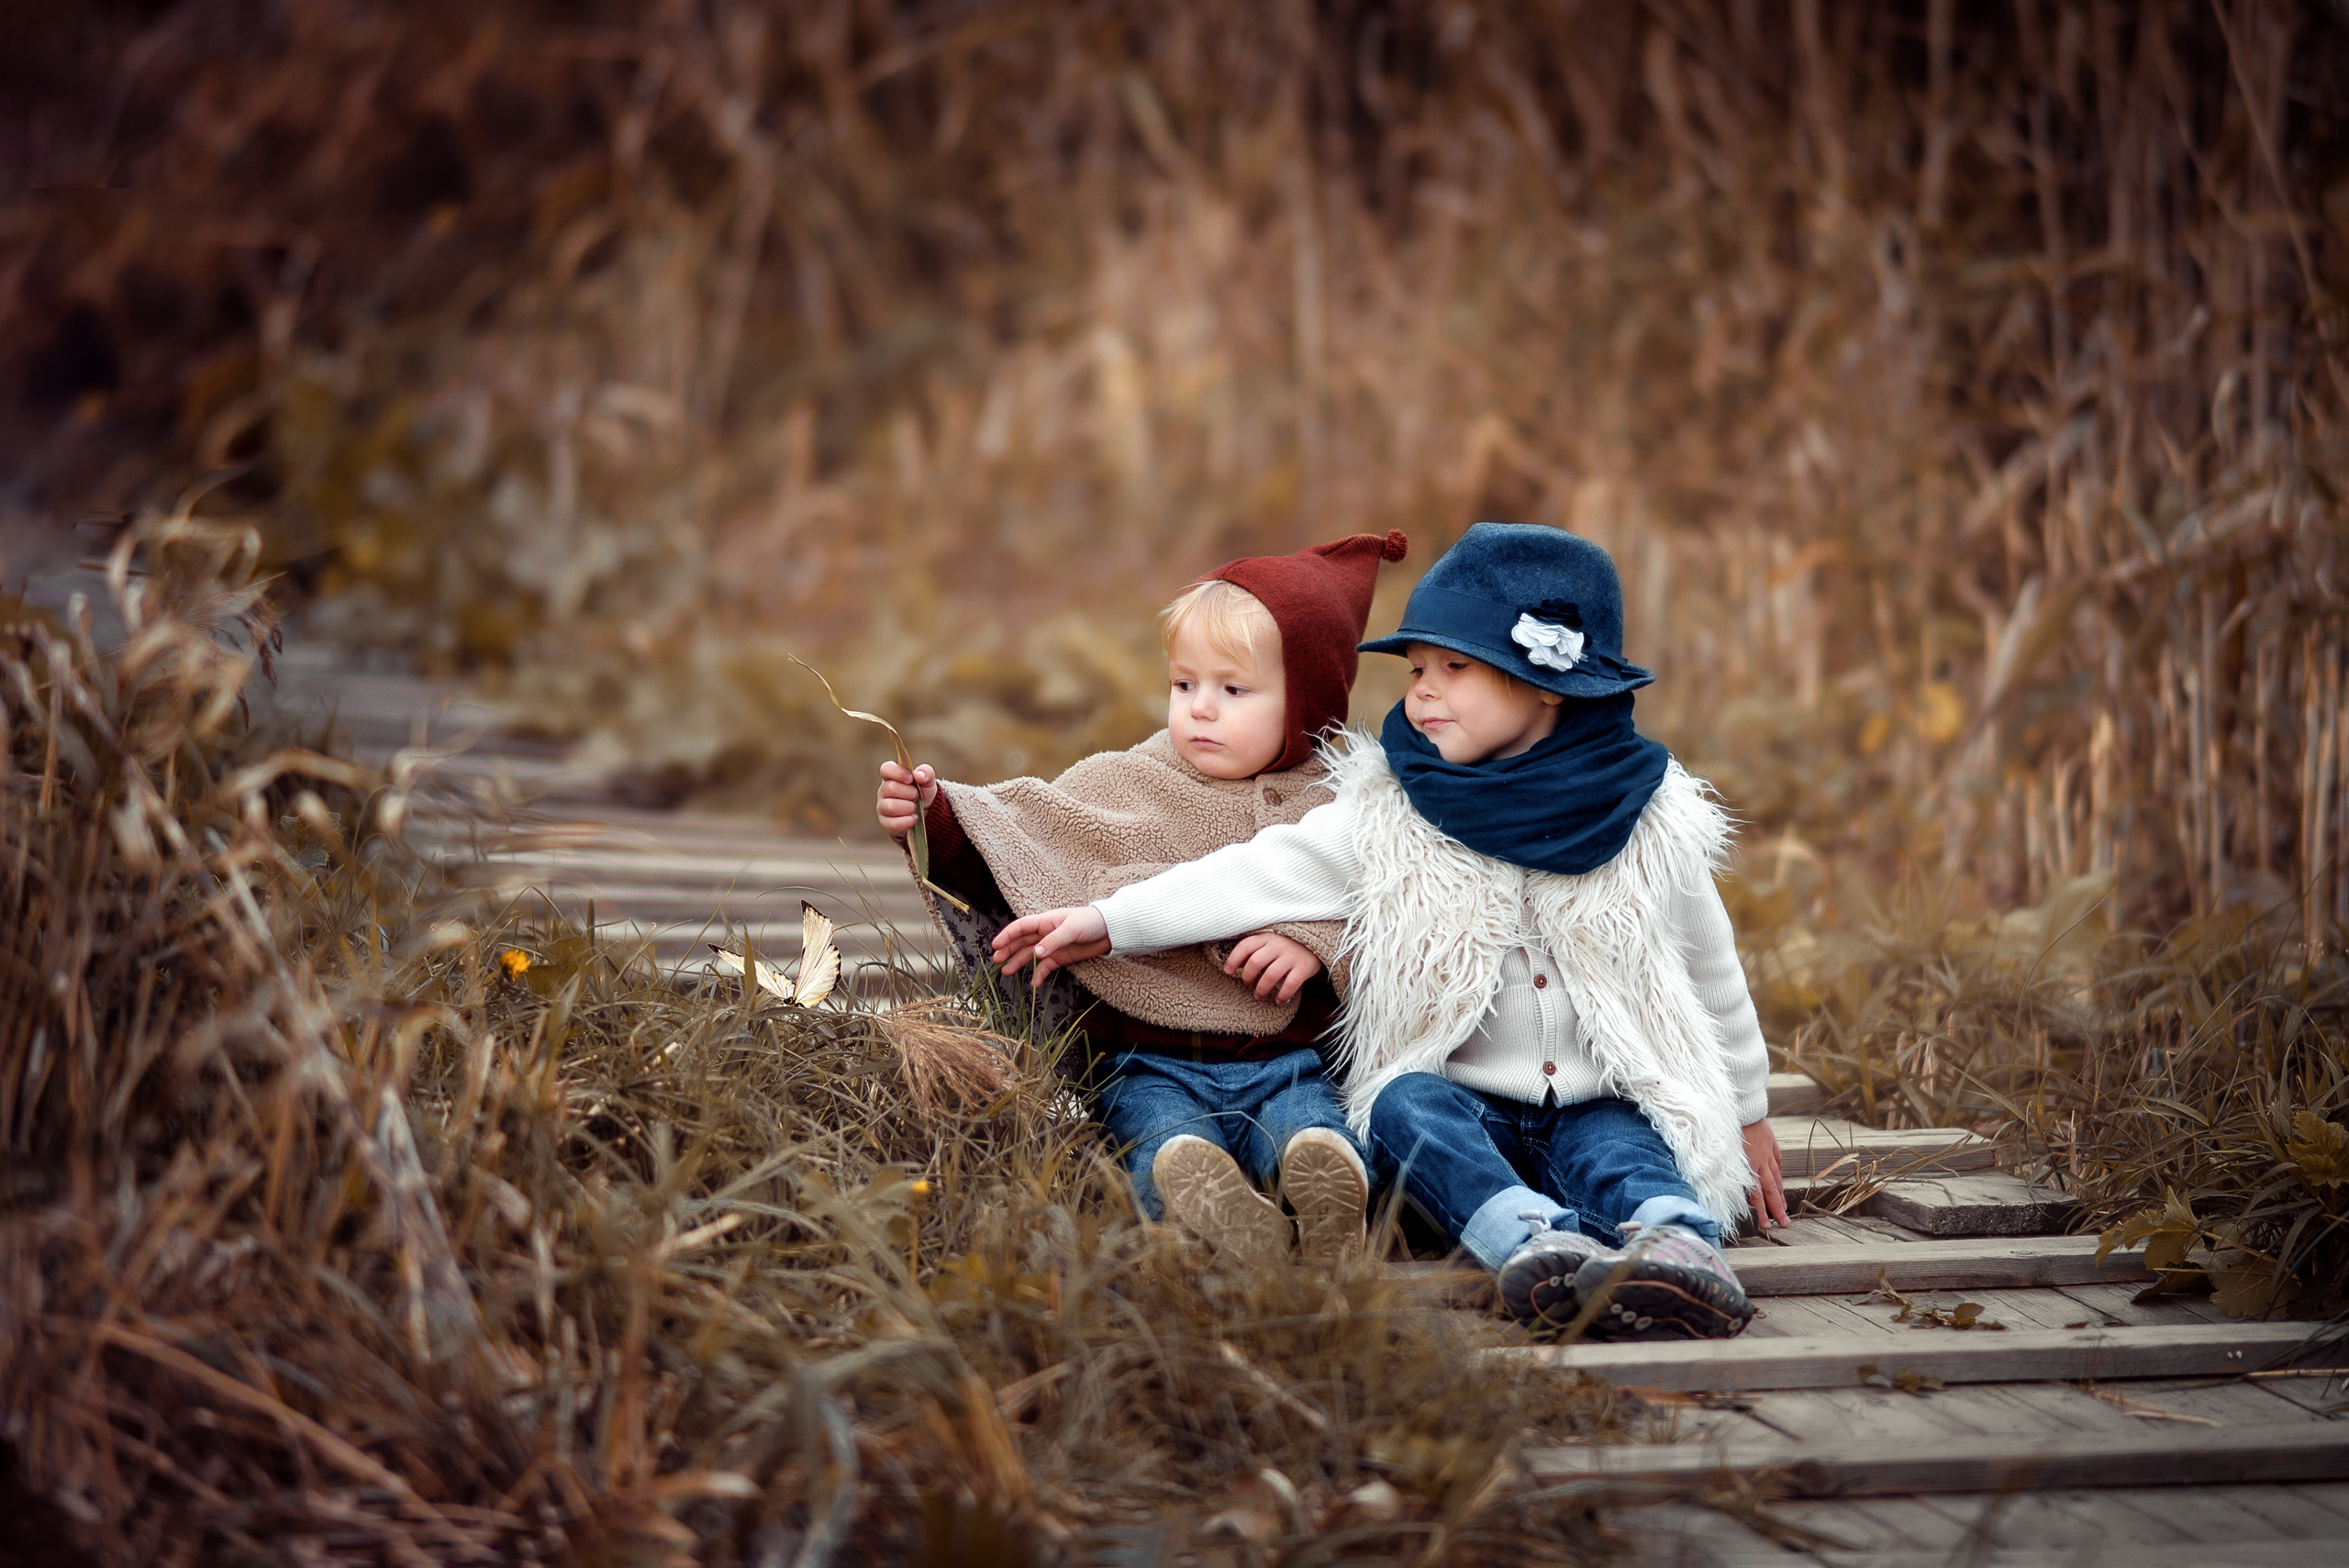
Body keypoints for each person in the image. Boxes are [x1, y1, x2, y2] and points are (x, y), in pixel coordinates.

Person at [988, 521, 1787, 1340]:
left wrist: (1749, 1111)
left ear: (1549, 683)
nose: (1424, 692)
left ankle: (1678, 1248)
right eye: (1416, 671)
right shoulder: (1395, 807)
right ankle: (1529, 1243)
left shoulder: (1649, 820)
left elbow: (1712, 968)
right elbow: (1256, 872)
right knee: (1405, 1108)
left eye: (1456, 668)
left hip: (1595, 1092)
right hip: (1465, 1091)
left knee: (1626, 1145)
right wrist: (1108, 921)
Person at [876, 531, 1411, 1263]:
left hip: (1284, 1056)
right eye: (1183, 684)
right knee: (1160, 1140)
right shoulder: (1129, 779)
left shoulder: (1337, 807)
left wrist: (1312, 947)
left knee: (1311, 1126)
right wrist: (934, 814)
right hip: (1149, 1054)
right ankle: (1212, 1214)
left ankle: (1323, 1195)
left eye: (1233, 689)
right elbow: (1031, 836)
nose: (1199, 710)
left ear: (1308, 701)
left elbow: (1386, 914)